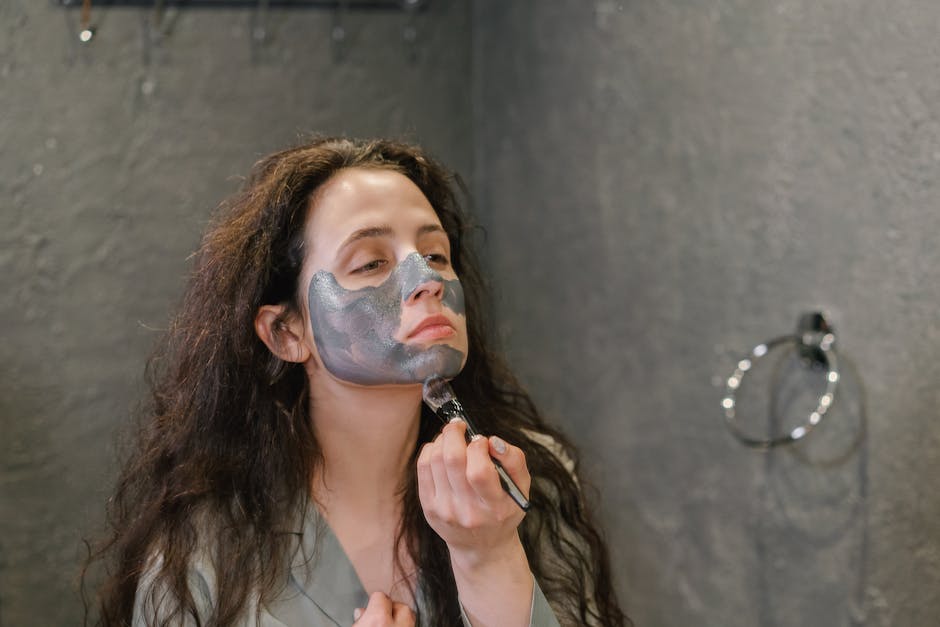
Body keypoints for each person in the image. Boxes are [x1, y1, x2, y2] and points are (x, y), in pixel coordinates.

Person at [86, 137, 628, 626]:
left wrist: (489, 557)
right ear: (285, 332)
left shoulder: (532, 486)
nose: (428, 281)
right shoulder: (202, 551)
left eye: (436, 254)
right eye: (370, 263)